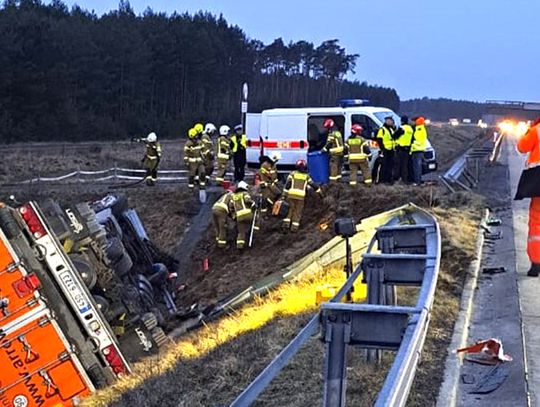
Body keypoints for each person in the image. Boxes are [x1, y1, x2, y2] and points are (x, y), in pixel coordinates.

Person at [515, 118, 540, 276]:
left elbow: (522, 147)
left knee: (537, 223)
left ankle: (536, 263)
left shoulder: (537, 130)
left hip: (538, 181)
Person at [282, 159, 321, 232]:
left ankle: (285, 226)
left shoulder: (292, 174)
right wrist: (320, 193)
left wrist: (284, 195)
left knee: (290, 210)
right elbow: (313, 185)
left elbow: (287, 185)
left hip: (291, 195)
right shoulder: (306, 176)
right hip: (300, 197)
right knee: (297, 212)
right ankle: (294, 228)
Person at [231, 181, 254, 249]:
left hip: (239, 217)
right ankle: (256, 235)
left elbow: (231, 207)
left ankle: (239, 246)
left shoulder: (234, 196)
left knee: (241, 232)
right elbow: (247, 200)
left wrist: (234, 216)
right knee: (256, 220)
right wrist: (253, 203)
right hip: (248, 214)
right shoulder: (245, 193)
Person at [392, 115, 414, 183]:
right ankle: (404, 180)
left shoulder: (402, 128)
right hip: (407, 149)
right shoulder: (410, 129)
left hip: (400, 149)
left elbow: (394, 136)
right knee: (405, 166)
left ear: (402, 121)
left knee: (397, 165)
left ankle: (396, 179)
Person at [321, 118, 344, 182]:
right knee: (339, 168)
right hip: (341, 153)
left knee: (333, 167)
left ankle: (333, 183)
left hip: (335, 154)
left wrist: (323, 149)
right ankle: (339, 181)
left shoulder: (332, 134)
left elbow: (329, 143)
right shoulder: (338, 133)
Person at [376, 116, 396, 184]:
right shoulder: (382, 130)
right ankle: (381, 180)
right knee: (383, 166)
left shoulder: (391, 129)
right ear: (386, 121)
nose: (392, 122)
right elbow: (379, 139)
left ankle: (388, 180)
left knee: (389, 166)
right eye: (390, 120)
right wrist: (383, 149)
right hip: (385, 150)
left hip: (391, 150)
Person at [410, 117, 428, 186]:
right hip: (419, 149)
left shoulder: (419, 129)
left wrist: (412, 143)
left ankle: (417, 181)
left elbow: (418, 140)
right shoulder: (421, 128)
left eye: (413, 121)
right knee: (418, 166)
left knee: (416, 166)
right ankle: (418, 180)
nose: (412, 123)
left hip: (417, 149)